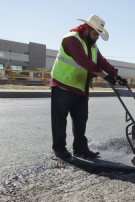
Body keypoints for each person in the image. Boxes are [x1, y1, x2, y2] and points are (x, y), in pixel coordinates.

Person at [50, 14, 127, 159]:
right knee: (60, 119)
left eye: (98, 34)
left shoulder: (92, 45)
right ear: (87, 28)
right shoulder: (72, 39)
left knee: (81, 119)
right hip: (63, 84)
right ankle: (59, 149)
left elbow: (102, 61)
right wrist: (105, 76)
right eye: (95, 33)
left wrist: (116, 76)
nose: (97, 37)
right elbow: (84, 61)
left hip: (80, 86)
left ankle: (80, 149)